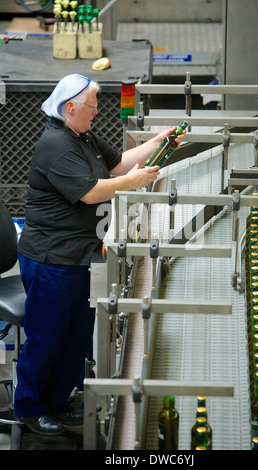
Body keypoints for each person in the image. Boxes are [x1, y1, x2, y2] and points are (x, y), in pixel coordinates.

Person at [14, 73, 186, 436]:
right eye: (91, 106)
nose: (96, 112)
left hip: (80, 255)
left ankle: (58, 402)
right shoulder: (55, 145)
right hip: (51, 258)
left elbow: (119, 165)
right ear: (70, 107)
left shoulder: (83, 136)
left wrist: (158, 142)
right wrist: (133, 182)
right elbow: (93, 192)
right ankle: (30, 406)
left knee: (76, 335)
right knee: (47, 336)